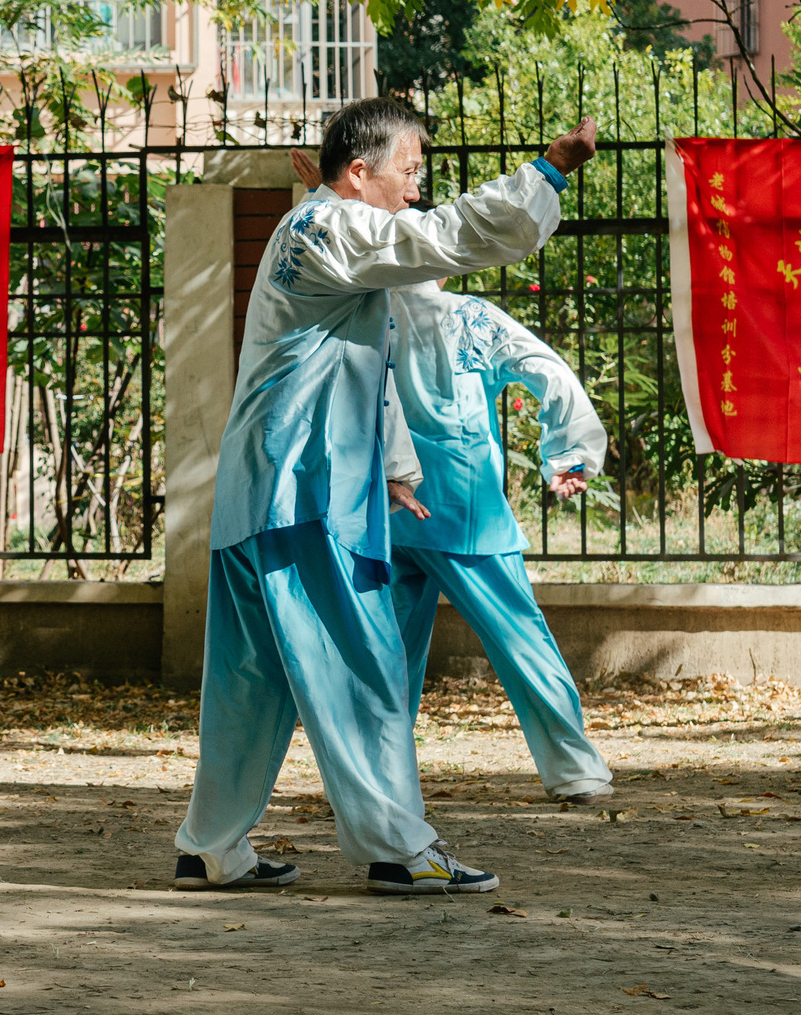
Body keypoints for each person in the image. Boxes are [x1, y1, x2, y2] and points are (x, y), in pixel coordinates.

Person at [175, 97, 597, 897]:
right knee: (367, 666)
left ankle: (210, 846)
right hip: (305, 491)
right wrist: (548, 172)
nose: (415, 191)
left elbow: (363, 362)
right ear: (360, 172)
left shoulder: (320, 232)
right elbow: (441, 239)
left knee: (250, 682)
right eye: (408, 172)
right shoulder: (334, 228)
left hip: (263, 491)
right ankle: (399, 848)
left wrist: (397, 467)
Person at [288, 146, 615, 805]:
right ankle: (574, 769)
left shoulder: (367, 309)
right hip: (463, 510)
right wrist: (569, 454)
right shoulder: (468, 317)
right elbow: (547, 372)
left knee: (388, 656)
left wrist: (327, 190)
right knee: (518, 638)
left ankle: (373, 783)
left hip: (387, 506)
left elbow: (342, 245)